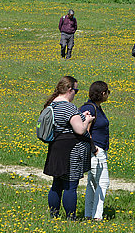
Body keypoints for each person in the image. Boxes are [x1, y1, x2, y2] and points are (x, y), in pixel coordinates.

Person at [42, 76, 94, 220]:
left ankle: (54, 215)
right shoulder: (68, 106)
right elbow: (79, 130)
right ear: (69, 89)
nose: (75, 94)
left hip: (56, 147)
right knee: (70, 186)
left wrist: (80, 116)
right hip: (71, 150)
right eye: (75, 91)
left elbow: (65, 123)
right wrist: (87, 120)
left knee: (56, 184)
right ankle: (71, 217)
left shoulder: (52, 104)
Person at [80, 81, 111, 221]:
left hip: (96, 149)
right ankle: (97, 215)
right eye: (107, 92)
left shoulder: (95, 107)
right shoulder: (91, 109)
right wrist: (94, 149)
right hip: (96, 150)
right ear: (103, 93)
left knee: (92, 183)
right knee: (103, 182)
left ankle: (89, 213)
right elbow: (84, 131)